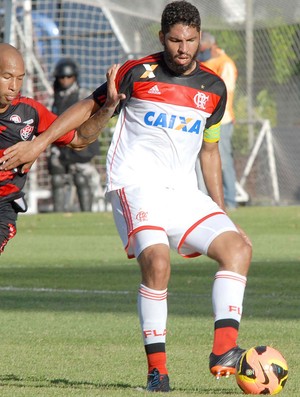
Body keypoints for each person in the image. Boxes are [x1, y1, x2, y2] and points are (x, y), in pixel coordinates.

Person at [0, 1, 252, 392]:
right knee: (158, 262)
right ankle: (158, 370)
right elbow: (88, 108)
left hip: (181, 191)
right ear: (162, 39)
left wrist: (219, 209)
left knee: (238, 247)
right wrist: (40, 144)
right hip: (135, 185)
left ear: (200, 38)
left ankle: (224, 351)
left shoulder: (213, 88)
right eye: (175, 40)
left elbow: (210, 150)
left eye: (190, 40)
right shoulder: (138, 72)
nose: (183, 48)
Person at [0, 43, 118, 255]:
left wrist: (107, 108)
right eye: (7, 77)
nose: (14, 86)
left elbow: (79, 138)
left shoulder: (30, 112)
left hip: (3, 207)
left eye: (20, 78)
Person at [48, 58, 102, 212]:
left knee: (81, 178)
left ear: (75, 77)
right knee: (57, 178)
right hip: (60, 145)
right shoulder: (53, 99)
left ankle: (86, 215)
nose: (65, 80)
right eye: (62, 77)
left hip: (80, 143)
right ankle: (57, 216)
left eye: (68, 77)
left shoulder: (84, 96)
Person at [199, 31, 238, 209]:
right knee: (203, 158)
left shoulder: (225, 64)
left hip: (222, 120)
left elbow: (224, 92)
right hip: (205, 119)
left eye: (203, 48)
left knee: (223, 160)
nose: (201, 51)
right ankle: (206, 202)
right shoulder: (207, 63)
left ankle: (230, 201)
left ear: (212, 46)